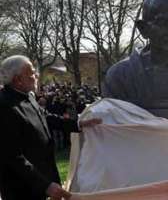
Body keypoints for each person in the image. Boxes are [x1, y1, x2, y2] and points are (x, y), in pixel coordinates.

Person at [0, 55, 102, 200]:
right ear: (18, 80)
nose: (36, 76)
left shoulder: (27, 95)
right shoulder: (4, 106)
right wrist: (44, 185)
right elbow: (11, 156)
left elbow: (45, 117)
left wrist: (78, 124)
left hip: (43, 178)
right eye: (32, 73)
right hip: (23, 188)